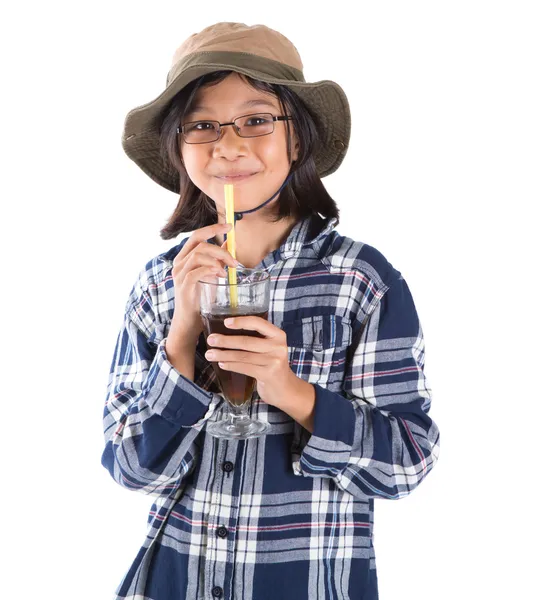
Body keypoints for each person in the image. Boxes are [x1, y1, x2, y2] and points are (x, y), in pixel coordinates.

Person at [101, 22, 441, 600]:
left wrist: (288, 388)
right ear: (179, 148)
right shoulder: (160, 285)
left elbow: (406, 463)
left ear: (299, 138)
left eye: (256, 121)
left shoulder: (360, 280)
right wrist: (184, 332)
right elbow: (133, 468)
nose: (227, 146)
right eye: (202, 126)